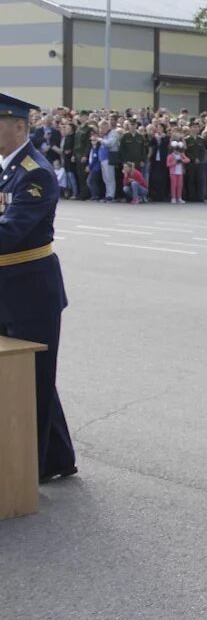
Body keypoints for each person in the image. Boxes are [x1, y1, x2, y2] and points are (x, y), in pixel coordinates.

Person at [0, 93, 76, 483]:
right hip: (5, 287)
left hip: (31, 288)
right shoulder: (5, 167)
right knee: (19, 375)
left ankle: (31, 469)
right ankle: (59, 456)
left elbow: (11, 231)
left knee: (35, 379)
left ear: (18, 126)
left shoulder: (36, 171)